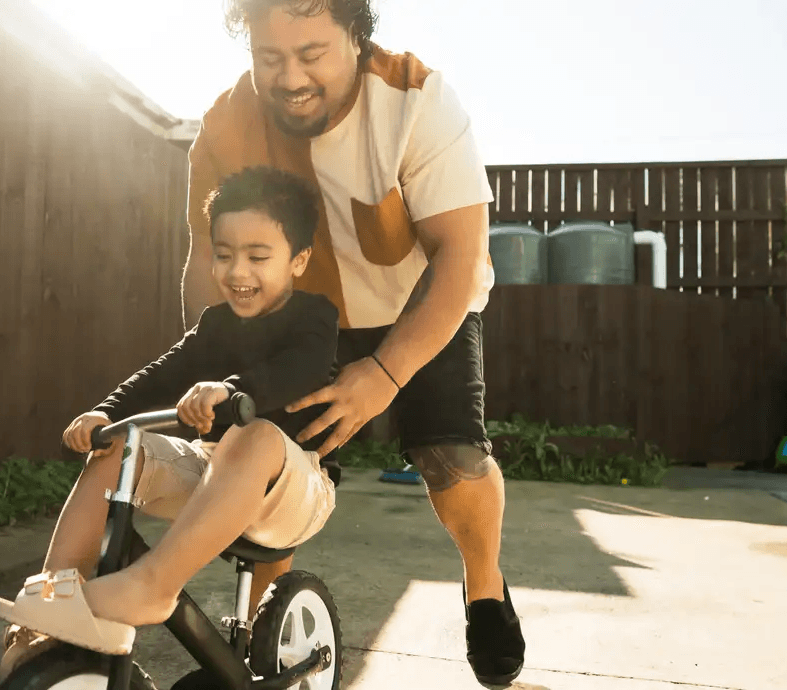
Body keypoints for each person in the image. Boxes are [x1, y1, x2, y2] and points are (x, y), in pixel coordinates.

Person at [180, 1, 526, 686]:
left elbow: (459, 256)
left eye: (312, 55)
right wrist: (211, 372)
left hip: (419, 299)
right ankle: (260, 632)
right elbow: (204, 264)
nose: (290, 77)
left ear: (356, 39)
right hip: (302, 316)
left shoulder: (417, 100)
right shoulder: (223, 125)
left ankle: (484, 583)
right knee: (270, 462)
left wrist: (387, 373)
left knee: (449, 455)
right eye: (270, 57)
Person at [0, 165, 342, 677]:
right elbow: (165, 372)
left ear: (299, 260)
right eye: (224, 256)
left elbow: (300, 371)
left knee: (256, 435)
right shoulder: (216, 324)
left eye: (258, 257)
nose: (238, 272)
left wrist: (233, 390)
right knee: (119, 446)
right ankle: (55, 592)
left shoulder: (314, 317)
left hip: (298, 484)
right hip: (218, 475)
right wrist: (106, 413)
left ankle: (155, 585)